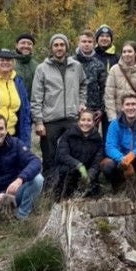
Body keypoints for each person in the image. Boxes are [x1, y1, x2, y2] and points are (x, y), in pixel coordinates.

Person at [31, 33, 87, 194]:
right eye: (55, 45)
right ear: (51, 48)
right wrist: (38, 121)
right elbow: (36, 97)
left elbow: (83, 84)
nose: (59, 48)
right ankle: (49, 188)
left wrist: (81, 102)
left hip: (71, 118)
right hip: (50, 119)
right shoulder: (42, 68)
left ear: (66, 47)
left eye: (62, 45)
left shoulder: (76, 66)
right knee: (49, 156)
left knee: (73, 152)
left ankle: (70, 186)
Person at [55, 110, 104, 198]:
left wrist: (91, 174)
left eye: (89, 120)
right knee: (63, 172)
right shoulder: (68, 135)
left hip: (87, 173)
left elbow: (97, 161)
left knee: (93, 193)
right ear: (78, 121)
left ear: (93, 123)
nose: (85, 123)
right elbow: (63, 155)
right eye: (83, 120)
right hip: (70, 170)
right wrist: (79, 165)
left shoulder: (98, 139)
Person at [104, 41, 136, 121]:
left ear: (135, 53)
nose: (126, 54)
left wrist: (131, 115)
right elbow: (109, 95)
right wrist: (112, 117)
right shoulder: (114, 69)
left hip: (133, 115)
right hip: (116, 114)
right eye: (124, 52)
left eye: (129, 51)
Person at [74, 30, 108, 121]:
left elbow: (104, 88)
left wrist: (101, 109)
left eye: (89, 42)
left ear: (94, 44)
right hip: (73, 109)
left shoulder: (99, 64)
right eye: (84, 41)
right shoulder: (71, 62)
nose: (87, 44)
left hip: (93, 109)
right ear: (78, 43)